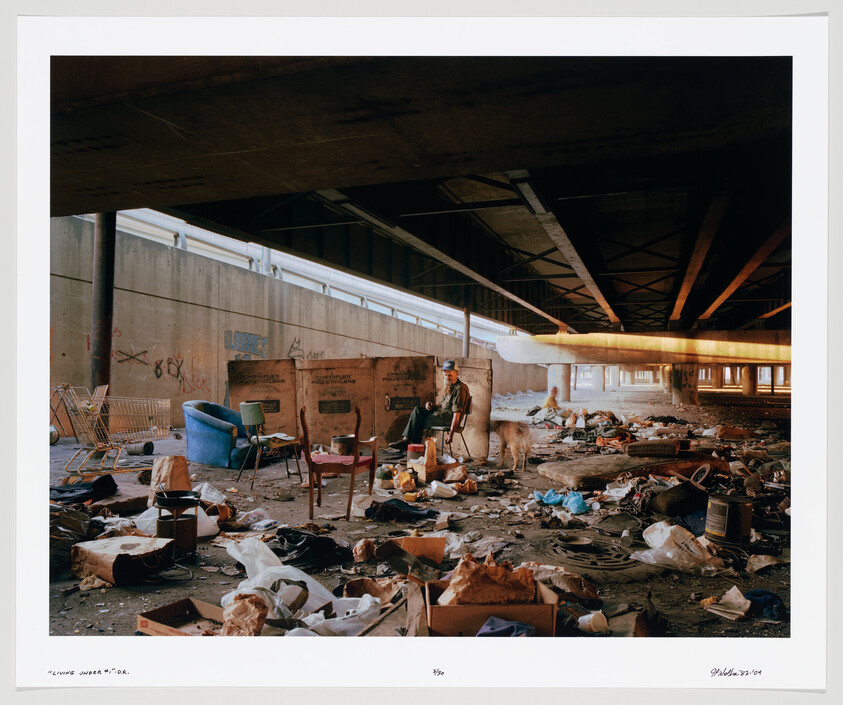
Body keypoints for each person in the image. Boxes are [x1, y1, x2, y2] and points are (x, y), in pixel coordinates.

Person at [388, 360, 470, 451]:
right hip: (441, 414)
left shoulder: (460, 389)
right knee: (418, 410)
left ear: (457, 374)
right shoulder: (450, 385)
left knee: (418, 419)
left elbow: (457, 413)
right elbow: (444, 406)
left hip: (448, 419)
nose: (447, 378)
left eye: (450, 375)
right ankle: (410, 444)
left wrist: (451, 434)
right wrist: (432, 405)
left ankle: (412, 446)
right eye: (445, 375)